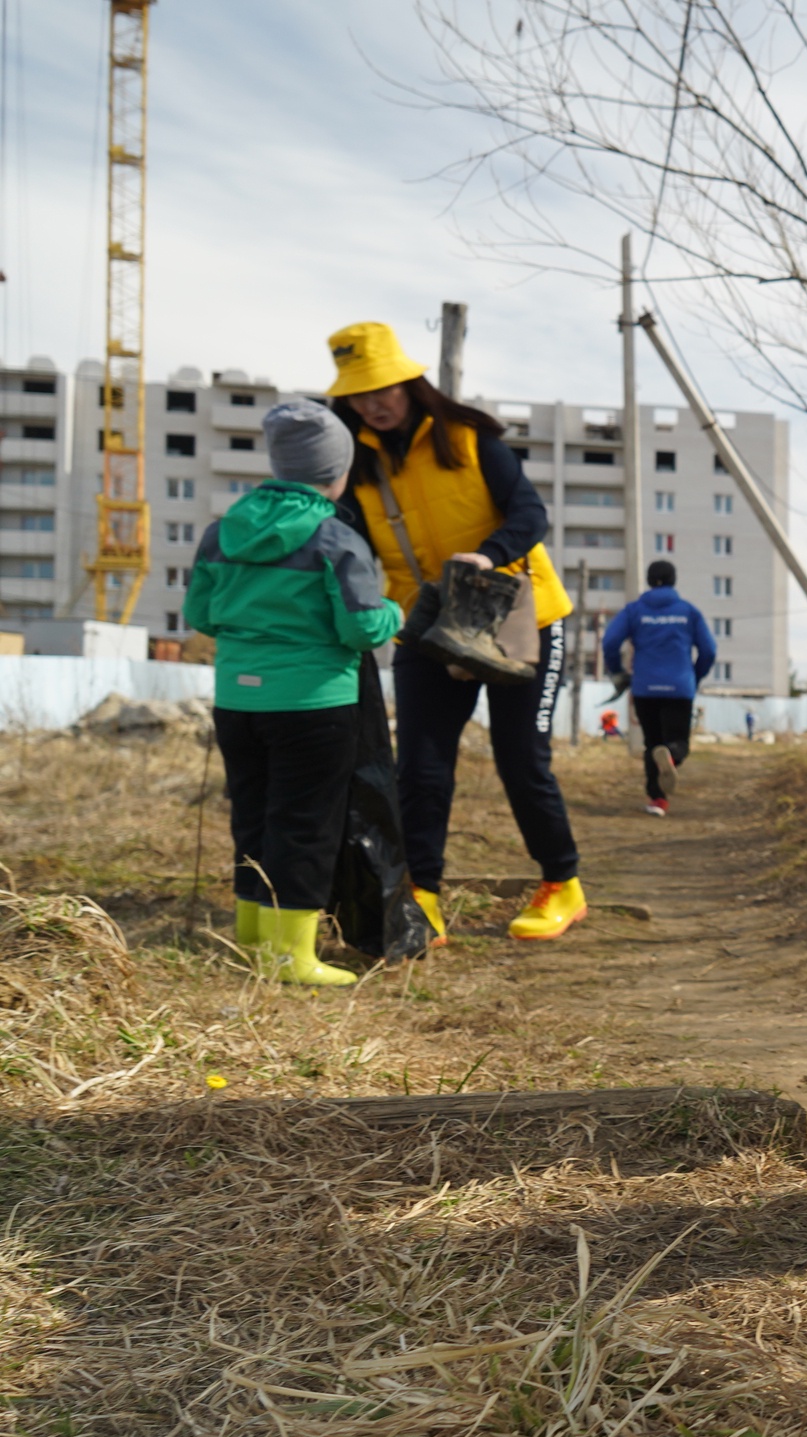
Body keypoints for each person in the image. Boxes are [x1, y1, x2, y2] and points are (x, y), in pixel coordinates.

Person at [325, 321, 588, 943]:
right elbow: (355, 548)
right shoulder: (355, 464)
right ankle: (424, 895)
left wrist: (488, 553)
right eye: (359, 393)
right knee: (421, 765)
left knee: (521, 759)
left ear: (410, 380)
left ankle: (562, 884)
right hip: (425, 626)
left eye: (382, 387)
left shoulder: (470, 441)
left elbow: (530, 513)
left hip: (519, 619)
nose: (373, 402)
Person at [185, 400, 404, 986]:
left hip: (238, 701)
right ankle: (293, 957)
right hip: (312, 705)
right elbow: (359, 628)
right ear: (336, 474)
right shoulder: (335, 538)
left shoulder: (220, 532)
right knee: (304, 824)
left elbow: (201, 614)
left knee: (252, 817)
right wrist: (393, 613)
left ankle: (253, 942)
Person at [601, 559, 716, 816]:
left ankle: (658, 801)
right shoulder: (688, 611)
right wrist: (694, 676)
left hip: (645, 688)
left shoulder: (634, 611)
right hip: (679, 688)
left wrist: (617, 672)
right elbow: (709, 650)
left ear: (649, 581)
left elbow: (610, 642)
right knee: (678, 742)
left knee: (652, 743)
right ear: (674, 581)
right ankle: (672, 758)